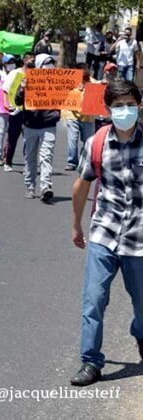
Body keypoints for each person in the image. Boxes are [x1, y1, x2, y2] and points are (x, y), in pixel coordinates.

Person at [69, 79, 143, 387]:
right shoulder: (97, 142)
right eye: (118, 106)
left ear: (139, 105)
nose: (124, 111)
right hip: (104, 234)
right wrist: (76, 224)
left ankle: (140, 336)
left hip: (140, 240)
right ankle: (90, 361)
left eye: (130, 104)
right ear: (108, 109)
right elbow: (82, 184)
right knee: (94, 301)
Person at [15, 54, 60, 202]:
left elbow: (69, 99)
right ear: (40, 66)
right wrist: (22, 89)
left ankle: (45, 186)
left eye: (52, 64)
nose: (50, 66)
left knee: (46, 156)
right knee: (30, 156)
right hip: (31, 125)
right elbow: (17, 101)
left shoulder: (57, 83)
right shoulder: (28, 81)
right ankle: (30, 186)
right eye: (47, 64)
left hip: (49, 124)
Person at [64, 66, 96, 172]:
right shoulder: (70, 83)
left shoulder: (93, 83)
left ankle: (85, 160)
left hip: (88, 117)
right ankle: (72, 162)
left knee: (88, 142)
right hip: (72, 115)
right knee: (72, 140)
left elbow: (101, 92)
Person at [2, 55, 29, 172]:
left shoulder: (38, 75)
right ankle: (8, 161)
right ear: (25, 61)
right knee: (12, 138)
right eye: (30, 60)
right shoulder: (15, 73)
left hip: (30, 112)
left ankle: (28, 164)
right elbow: (6, 90)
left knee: (29, 140)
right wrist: (6, 103)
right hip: (16, 110)